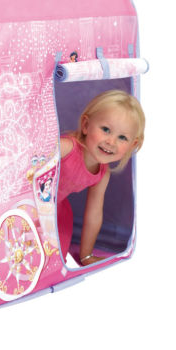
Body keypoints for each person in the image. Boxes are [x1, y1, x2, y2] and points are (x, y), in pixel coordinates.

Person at [58, 90, 145, 266]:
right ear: (86, 125)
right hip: (28, 202)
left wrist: (86, 255)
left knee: (54, 255)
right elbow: (29, 165)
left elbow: (94, 214)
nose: (111, 142)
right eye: (105, 130)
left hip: (55, 211)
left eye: (122, 137)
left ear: (132, 145)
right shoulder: (66, 148)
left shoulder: (102, 174)